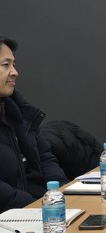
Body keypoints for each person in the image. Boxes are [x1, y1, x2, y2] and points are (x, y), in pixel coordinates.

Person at [0, 36, 68, 212]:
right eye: (6, 65)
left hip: (42, 209)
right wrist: (35, 207)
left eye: (14, 64)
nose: (14, 72)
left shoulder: (18, 112)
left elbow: (45, 158)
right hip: (16, 215)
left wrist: (60, 193)